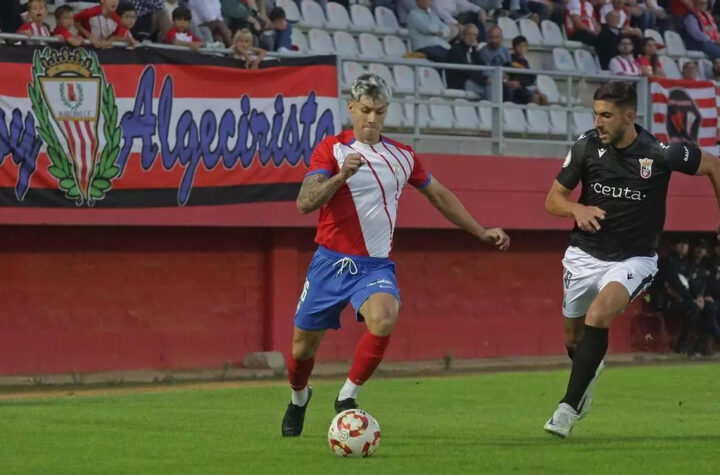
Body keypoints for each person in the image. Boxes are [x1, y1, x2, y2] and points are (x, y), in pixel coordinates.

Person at [281, 73, 511, 437]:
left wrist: (480, 231)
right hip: (328, 262)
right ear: (351, 108)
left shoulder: (403, 156)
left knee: (385, 316)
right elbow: (304, 203)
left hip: (373, 265)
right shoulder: (331, 149)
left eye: (380, 112)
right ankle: (298, 398)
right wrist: (341, 176)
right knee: (300, 351)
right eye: (366, 110)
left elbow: (439, 195)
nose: (372, 119)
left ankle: (346, 396)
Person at [543, 80, 720, 438]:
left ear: (629, 115)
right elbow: (552, 200)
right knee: (573, 341)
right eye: (595, 114)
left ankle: (566, 408)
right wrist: (576, 208)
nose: (598, 122)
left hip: (634, 259)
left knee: (600, 313)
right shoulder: (585, 147)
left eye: (606, 115)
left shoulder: (661, 154)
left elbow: (715, 165)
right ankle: (587, 377)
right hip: (583, 257)